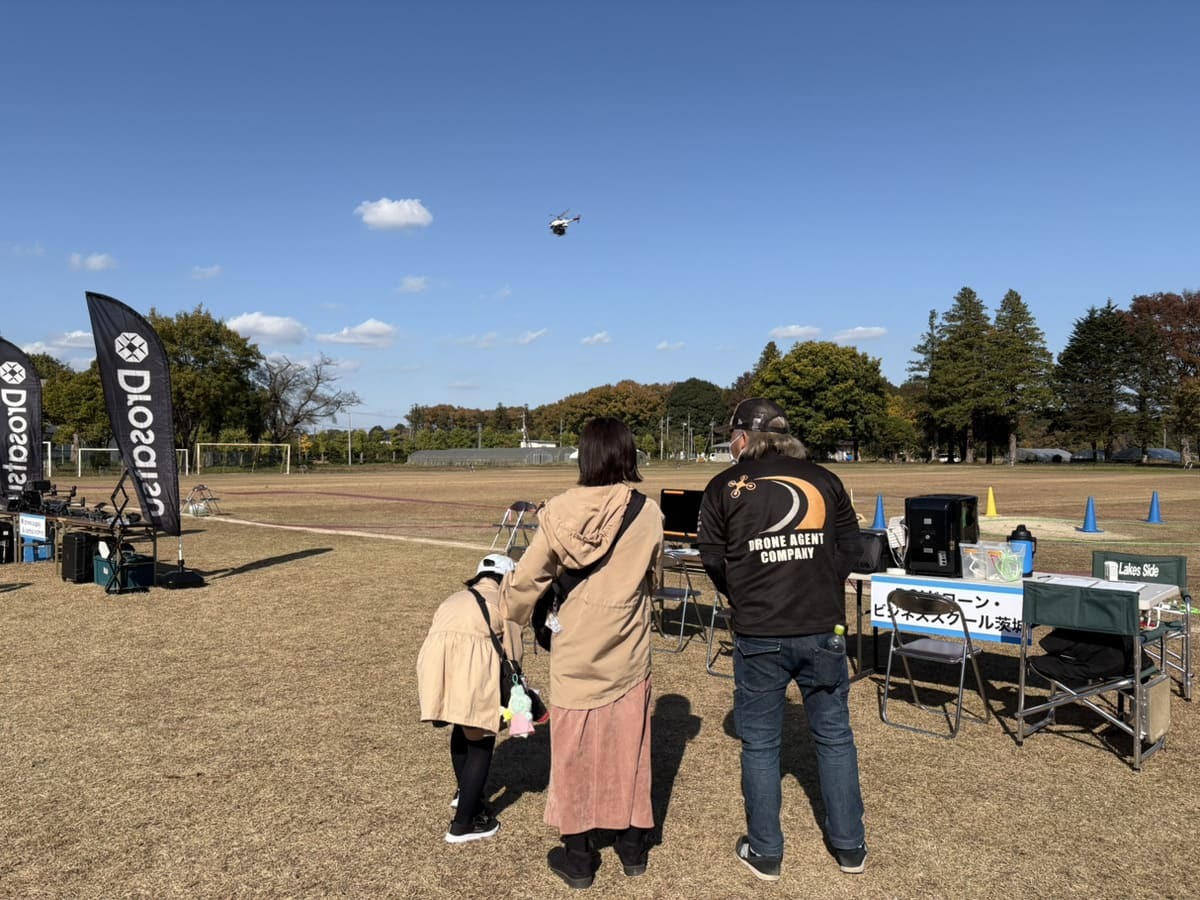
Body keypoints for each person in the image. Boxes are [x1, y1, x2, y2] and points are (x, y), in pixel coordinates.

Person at [696, 398, 867, 881]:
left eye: (731, 436)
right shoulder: (825, 478)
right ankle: (850, 847)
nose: (729, 444)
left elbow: (711, 555)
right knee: (835, 738)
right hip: (823, 628)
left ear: (744, 437)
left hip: (759, 633)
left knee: (760, 745)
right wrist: (820, 584)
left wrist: (742, 592)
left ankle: (766, 852)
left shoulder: (725, 485)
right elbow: (852, 546)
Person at [501, 417, 663, 889]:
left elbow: (528, 580)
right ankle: (633, 845)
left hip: (574, 647)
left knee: (571, 752)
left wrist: (509, 614)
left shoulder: (557, 511)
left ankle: (578, 856)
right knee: (631, 746)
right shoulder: (648, 512)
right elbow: (649, 576)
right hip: (628, 645)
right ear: (628, 454)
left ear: (586, 456)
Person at [417, 553, 525, 844]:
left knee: (460, 727)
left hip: (435, 664)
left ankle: (465, 793)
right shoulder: (505, 603)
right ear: (507, 579)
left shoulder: (454, 598)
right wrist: (519, 696)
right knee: (481, 738)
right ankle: (464, 823)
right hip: (473, 665)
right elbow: (513, 655)